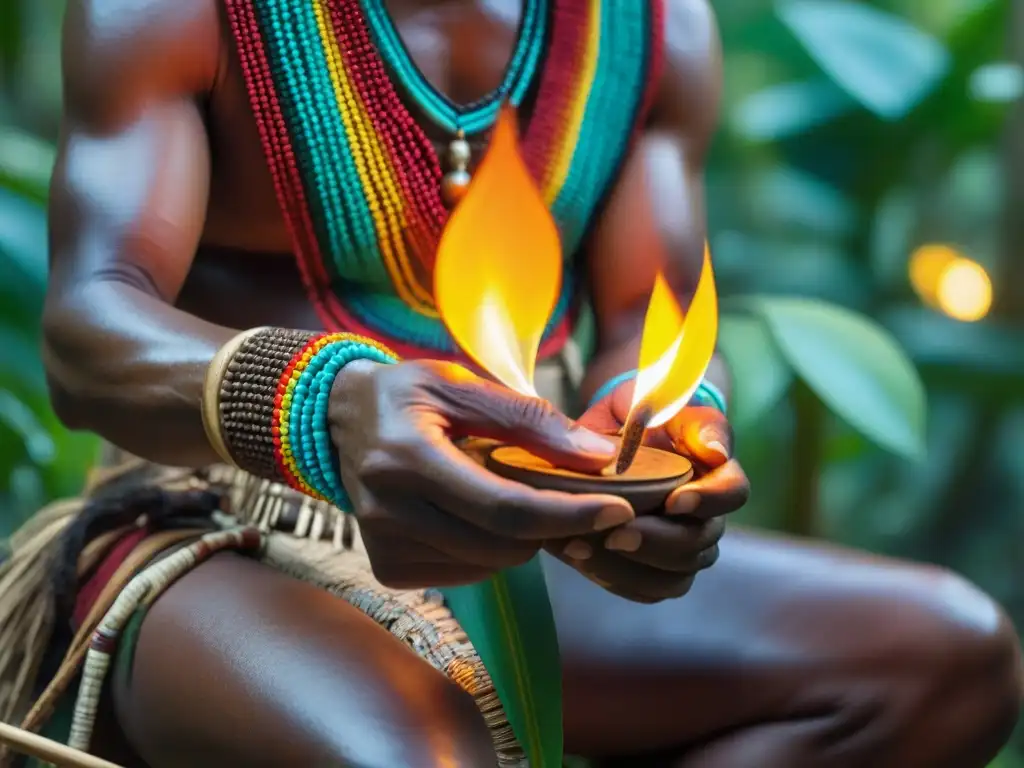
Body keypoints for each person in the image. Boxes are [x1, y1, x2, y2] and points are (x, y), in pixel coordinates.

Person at [0, 0, 1020, 765]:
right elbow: (90, 330)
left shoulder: (650, 28)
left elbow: (645, 325)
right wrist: (329, 408)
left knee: (943, 662)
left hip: (531, 527)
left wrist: (667, 440)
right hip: (218, 527)